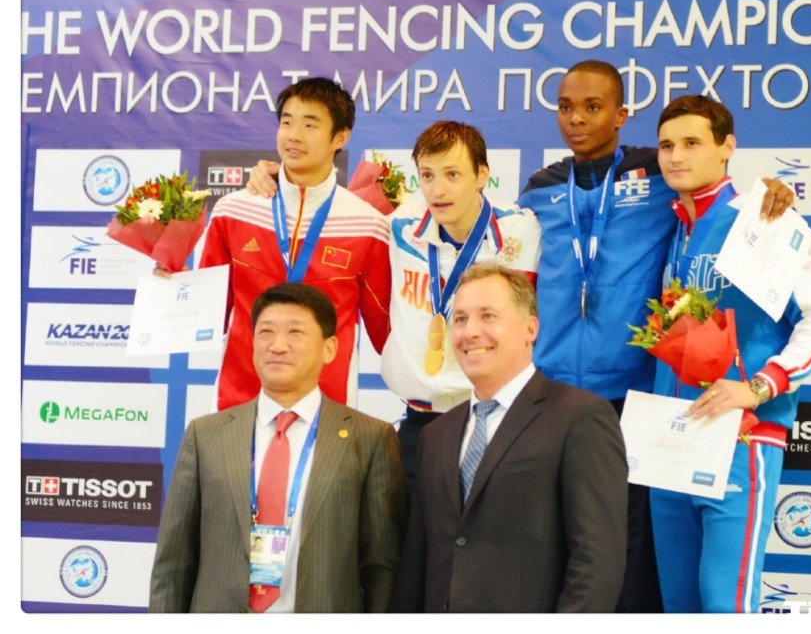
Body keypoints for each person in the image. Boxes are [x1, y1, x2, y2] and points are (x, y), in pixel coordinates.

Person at [517, 60, 794, 612]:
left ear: (621, 115)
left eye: (593, 107)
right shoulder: (541, 188)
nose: (577, 119)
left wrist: (773, 194)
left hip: (638, 401)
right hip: (554, 392)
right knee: (554, 547)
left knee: (638, 560)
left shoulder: (657, 174)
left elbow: (717, 194)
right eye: (565, 107)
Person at [247, 121, 541, 484]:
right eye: (427, 175)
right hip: (420, 423)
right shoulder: (399, 226)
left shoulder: (525, 229)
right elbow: (325, 212)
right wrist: (278, 178)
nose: (438, 190)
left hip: (496, 416)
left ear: (482, 175)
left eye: (452, 174)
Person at [649, 95, 811, 613]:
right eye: (666, 145)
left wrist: (760, 386)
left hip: (739, 437)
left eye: (692, 143)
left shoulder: (764, 218)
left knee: (725, 605)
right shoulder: (673, 228)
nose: (676, 156)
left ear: (727, 147)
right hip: (671, 440)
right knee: (679, 606)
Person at [149, 282, 407, 613]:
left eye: (295, 333)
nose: (278, 346)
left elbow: (381, 566)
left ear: (329, 348)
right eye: (266, 332)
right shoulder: (205, 436)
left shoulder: (370, 439)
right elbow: (173, 563)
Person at [390, 264, 627, 613]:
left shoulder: (580, 418)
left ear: (530, 328)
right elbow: (417, 564)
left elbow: (597, 565)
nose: (470, 332)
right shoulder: (436, 435)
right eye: (460, 319)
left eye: (488, 316)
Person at [198, 77, 391, 410]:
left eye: (310, 125)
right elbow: (205, 312)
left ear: (340, 137)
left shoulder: (368, 225)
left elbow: (386, 331)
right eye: (287, 122)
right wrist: (171, 282)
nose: (294, 135)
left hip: (327, 406)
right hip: (240, 399)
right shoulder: (234, 211)